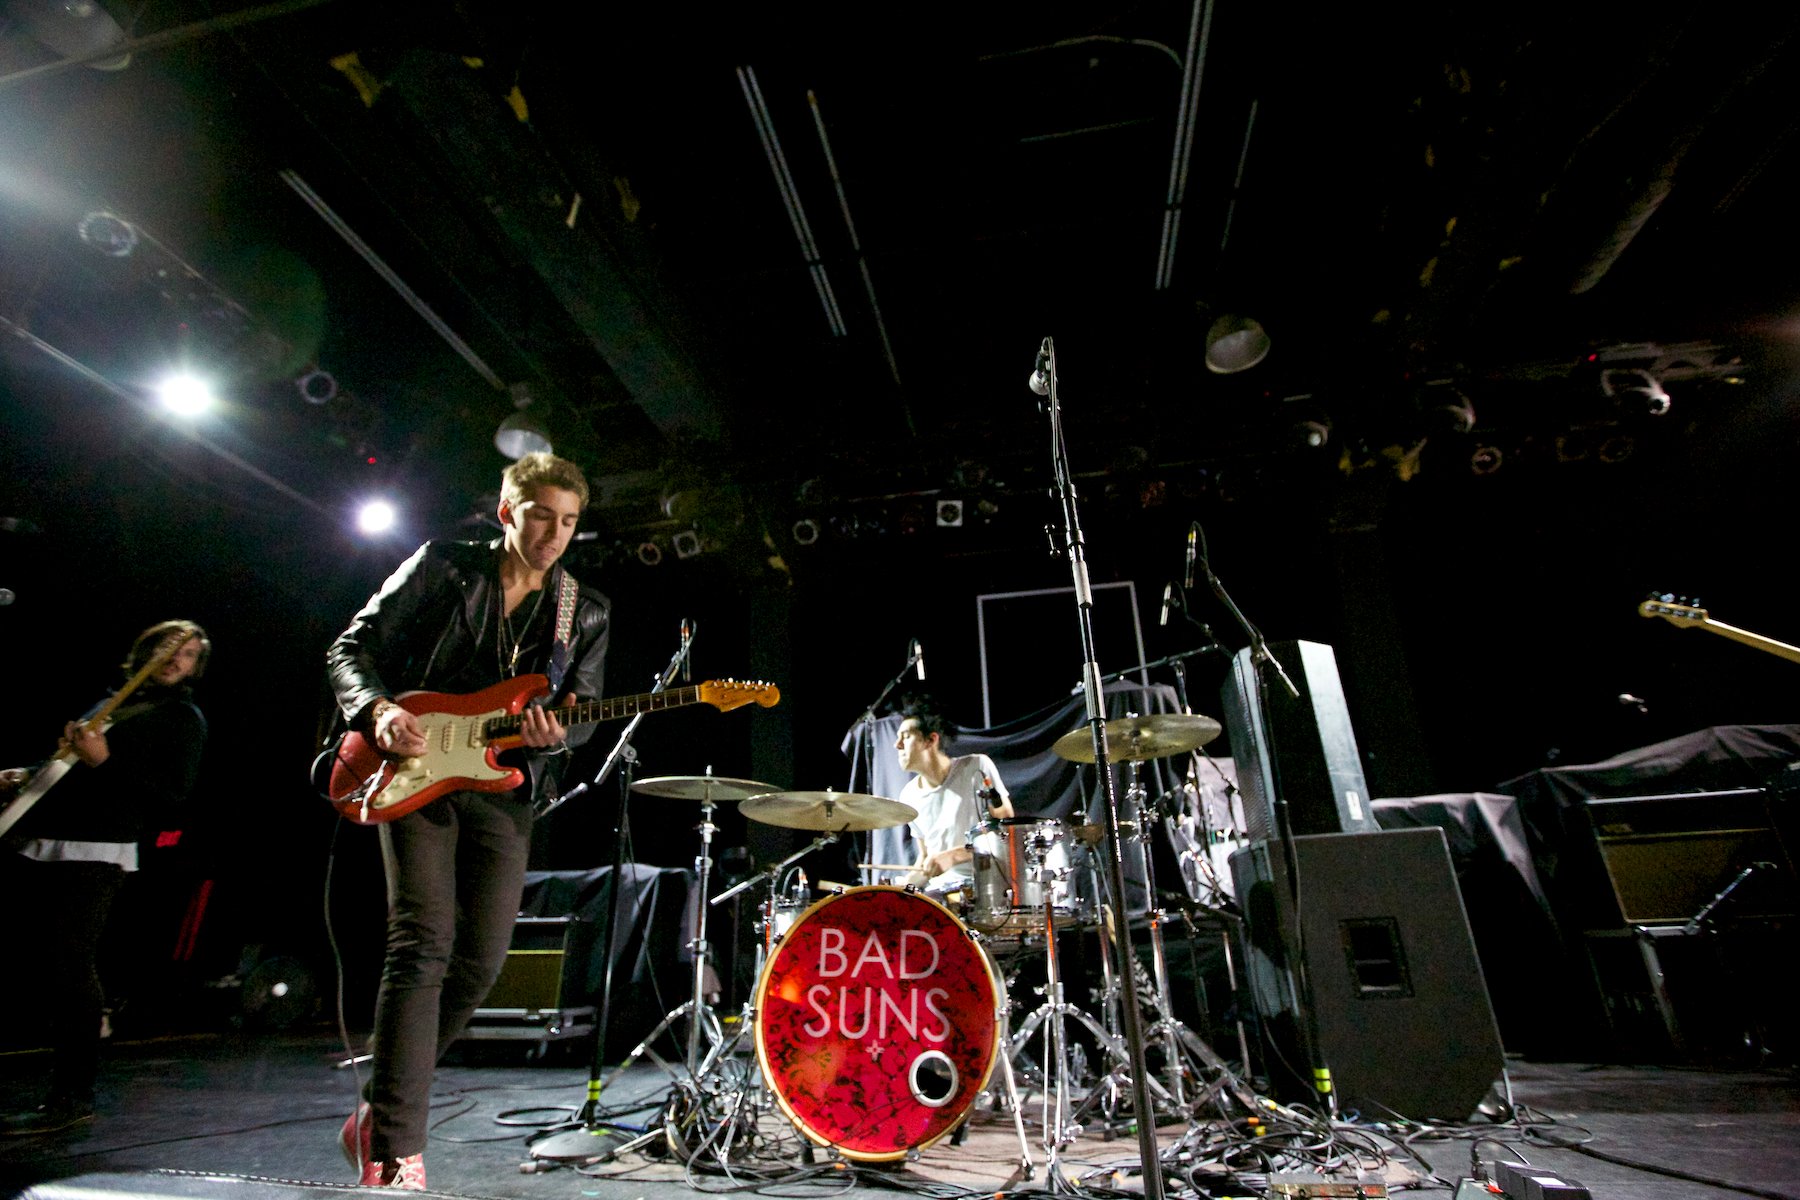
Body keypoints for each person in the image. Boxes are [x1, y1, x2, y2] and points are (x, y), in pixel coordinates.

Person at [325, 451, 609, 1189]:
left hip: (503, 788)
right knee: (422, 943)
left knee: (480, 963)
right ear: (509, 511)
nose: (554, 534)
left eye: (569, 522)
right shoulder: (444, 565)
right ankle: (393, 1151)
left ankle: (378, 1111)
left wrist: (563, 733)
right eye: (542, 515)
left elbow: (579, 712)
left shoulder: (588, 610)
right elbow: (350, 648)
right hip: (414, 766)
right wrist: (380, 710)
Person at [0, 620, 210, 1137]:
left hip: (97, 849)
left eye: (187, 654)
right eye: (168, 648)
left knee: (70, 966)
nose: (175, 659)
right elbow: (71, 769)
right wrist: (28, 775)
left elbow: (171, 796)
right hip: (44, 838)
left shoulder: (181, 717)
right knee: (40, 964)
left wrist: (106, 763)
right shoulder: (112, 703)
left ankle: (73, 1095)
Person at [894, 698, 1013, 892]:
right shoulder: (909, 795)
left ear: (931, 740)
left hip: (987, 886)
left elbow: (1007, 831)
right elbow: (924, 859)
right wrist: (902, 888)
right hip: (941, 893)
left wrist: (956, 855)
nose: (897, 745)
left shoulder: (977, 767)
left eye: (905, 736)